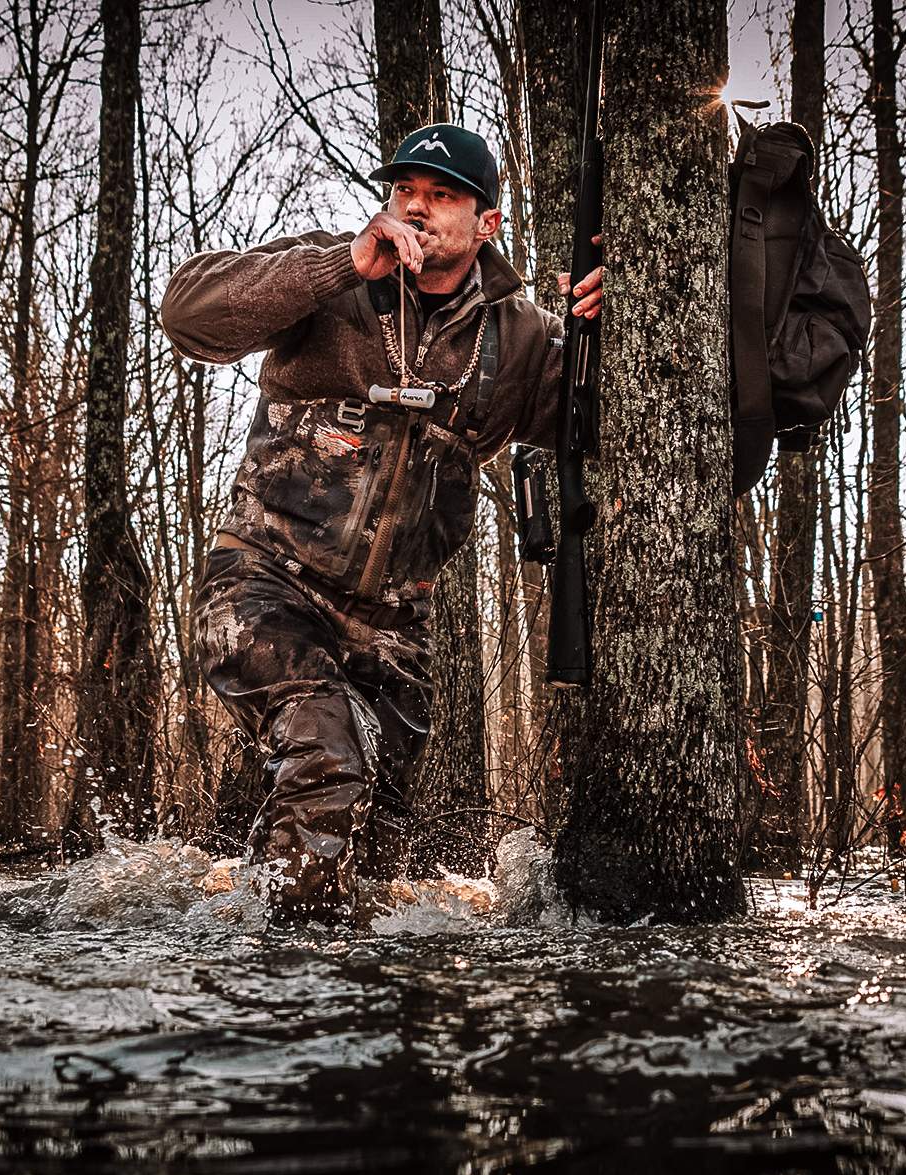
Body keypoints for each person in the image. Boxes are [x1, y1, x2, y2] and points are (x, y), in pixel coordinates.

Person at [160, 122, 603, 918]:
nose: (419, 208)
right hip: (263, 586)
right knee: (329, 766)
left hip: (397, 629)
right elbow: (188, 313)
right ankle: (293, 981)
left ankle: (261, 925)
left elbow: (606, 422)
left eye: (443, 195)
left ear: (489, 223)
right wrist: (339, 262)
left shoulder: (521, 339)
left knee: (376, 847)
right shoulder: (332, 275)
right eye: (406, 191)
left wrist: (609, 322)